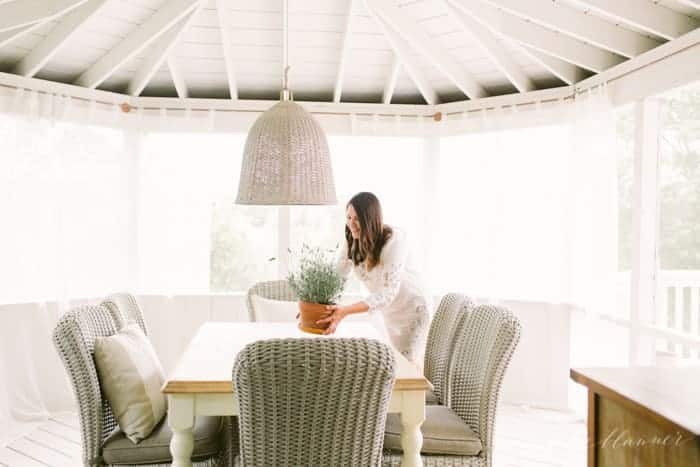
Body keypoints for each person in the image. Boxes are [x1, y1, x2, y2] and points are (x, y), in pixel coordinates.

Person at [317, 192, 430, 366]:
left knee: (408, 365)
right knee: (392, 363)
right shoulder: (351, 239)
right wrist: (317, 304)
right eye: (348, 217)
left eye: (357, 219)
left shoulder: (394, 240)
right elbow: (338, 276)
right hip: (388, 313)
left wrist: (345, 311)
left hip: (412, 309)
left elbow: (387, 292)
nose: (351, 224)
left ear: (370, 219)